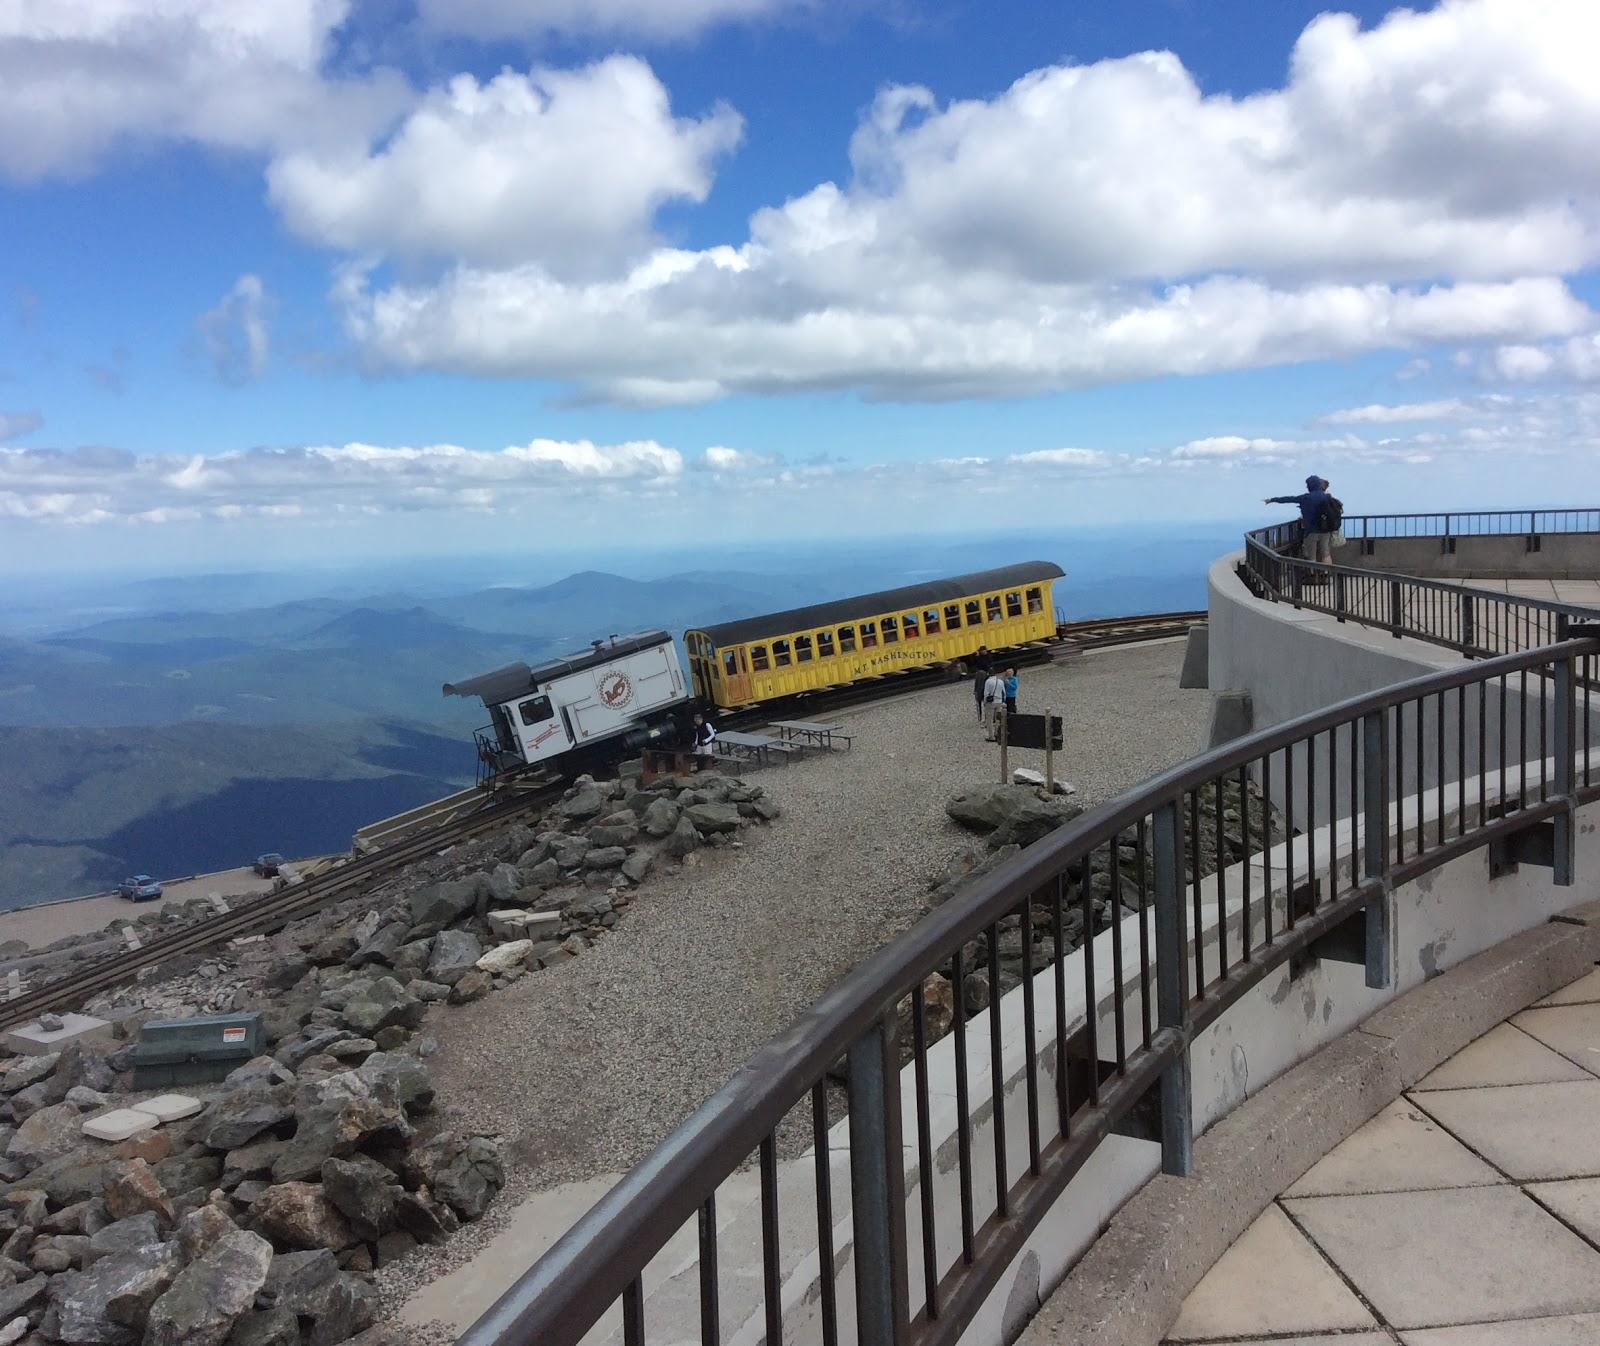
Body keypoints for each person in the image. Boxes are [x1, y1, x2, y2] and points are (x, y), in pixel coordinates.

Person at [1265, 474, 1341, 565]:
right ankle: (1326, 574)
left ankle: (1313, 575)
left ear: (1310, 486)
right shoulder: (1327, 497)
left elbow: (1289, 499)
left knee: (1311, 557)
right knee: (1326, 554)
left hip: (1311, 531)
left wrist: (1272, 500)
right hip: (1325, 530)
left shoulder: (1305, 498)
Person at [982, 668, 1006, 741]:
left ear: (988, 674)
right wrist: (1003, 701)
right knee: (998, 719)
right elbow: (1004, 693)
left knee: (989, 720)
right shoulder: (1000, 681)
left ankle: (991, 736)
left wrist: (985, 702)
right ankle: (997, 733)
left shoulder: (988, 681)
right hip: (999, 701)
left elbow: (986, 693)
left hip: (991, 702)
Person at [971, 646, 992, 723]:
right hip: (983, 676)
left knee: (986, 702)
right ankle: (982, 717)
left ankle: (986, 717)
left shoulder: (988, 657)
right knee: (981, 701)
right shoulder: (979, 659)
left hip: (985, 675)